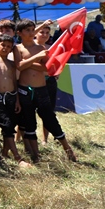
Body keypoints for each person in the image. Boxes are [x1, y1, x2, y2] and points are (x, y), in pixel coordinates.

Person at [16, 19, 76, 162]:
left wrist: (29, 63)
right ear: (19, 33)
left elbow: (48, 69)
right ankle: (35, 155)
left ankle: (67, 148)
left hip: (41, 90)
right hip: (25, 90)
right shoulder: (17, 49)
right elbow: (19, 66)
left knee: (50, 118)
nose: (31, 33)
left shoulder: (40, 48)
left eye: (32, 30)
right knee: (29, 122)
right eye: (28, 30)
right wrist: (35, 59)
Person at [0, 24, 28, 166]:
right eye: (3, 45)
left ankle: (5, 152)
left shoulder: (11, 64)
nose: (5, 48)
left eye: (8, 46)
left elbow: (14, 82)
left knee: (10, 125)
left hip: (11, 96)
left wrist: (16, 100)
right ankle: (17, 157)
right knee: (6, 126)